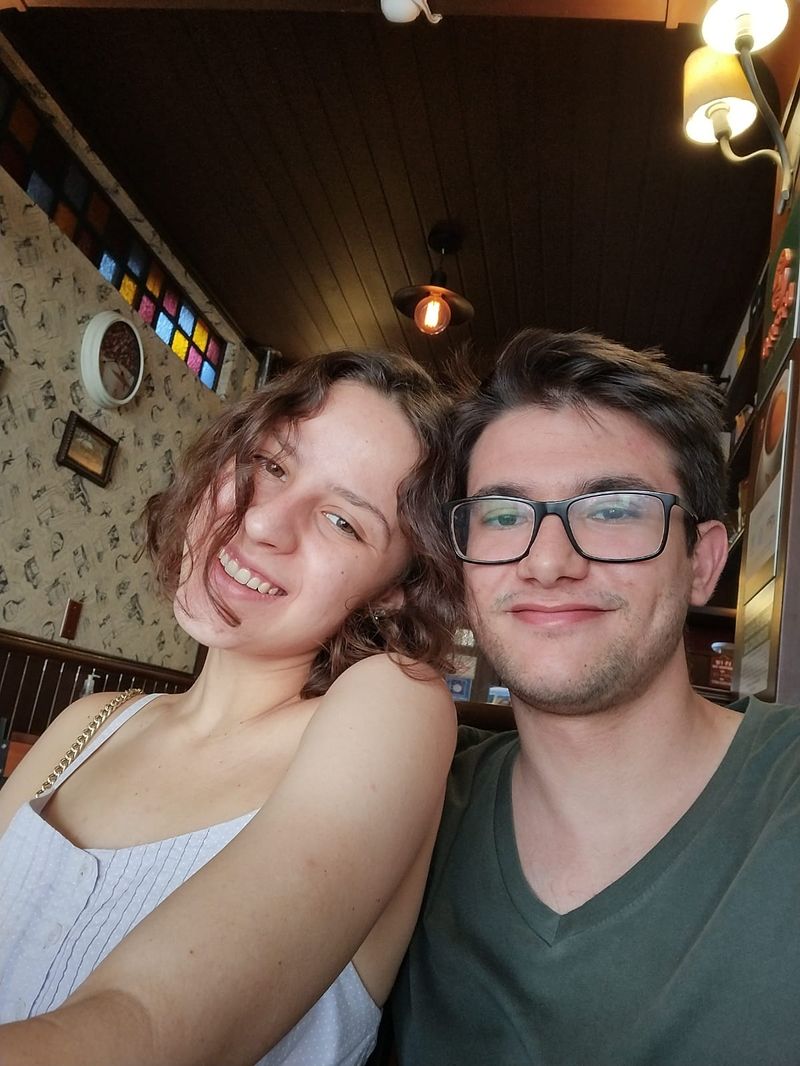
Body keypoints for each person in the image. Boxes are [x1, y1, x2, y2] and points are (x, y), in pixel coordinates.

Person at [0, 348, 459, 1066]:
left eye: (344, 521)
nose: (267, 521)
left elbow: (146, 1028)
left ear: (393, 590)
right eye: (271, 465)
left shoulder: (396, 703)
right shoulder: (89, 723)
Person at [391, 327, 800, 1065]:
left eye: (612, 510)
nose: (549, 563)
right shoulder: (408, 810)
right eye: (504, 516)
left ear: (702, 563)